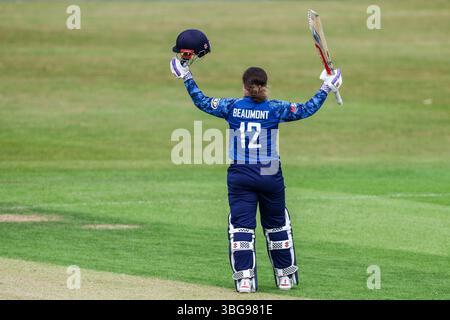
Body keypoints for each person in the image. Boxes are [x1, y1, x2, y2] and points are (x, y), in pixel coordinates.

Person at [170, 54, 342, 293]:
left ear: (244, 86)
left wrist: (185, 74)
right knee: (276, 224)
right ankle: (284, 277)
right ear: (265, 85)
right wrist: (327, 86)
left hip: (241, 171)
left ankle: (245, 280)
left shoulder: (232, 107)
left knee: (242, 227)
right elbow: (305, 109)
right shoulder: (275, 108)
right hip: (269, 171)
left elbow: (202, 101)